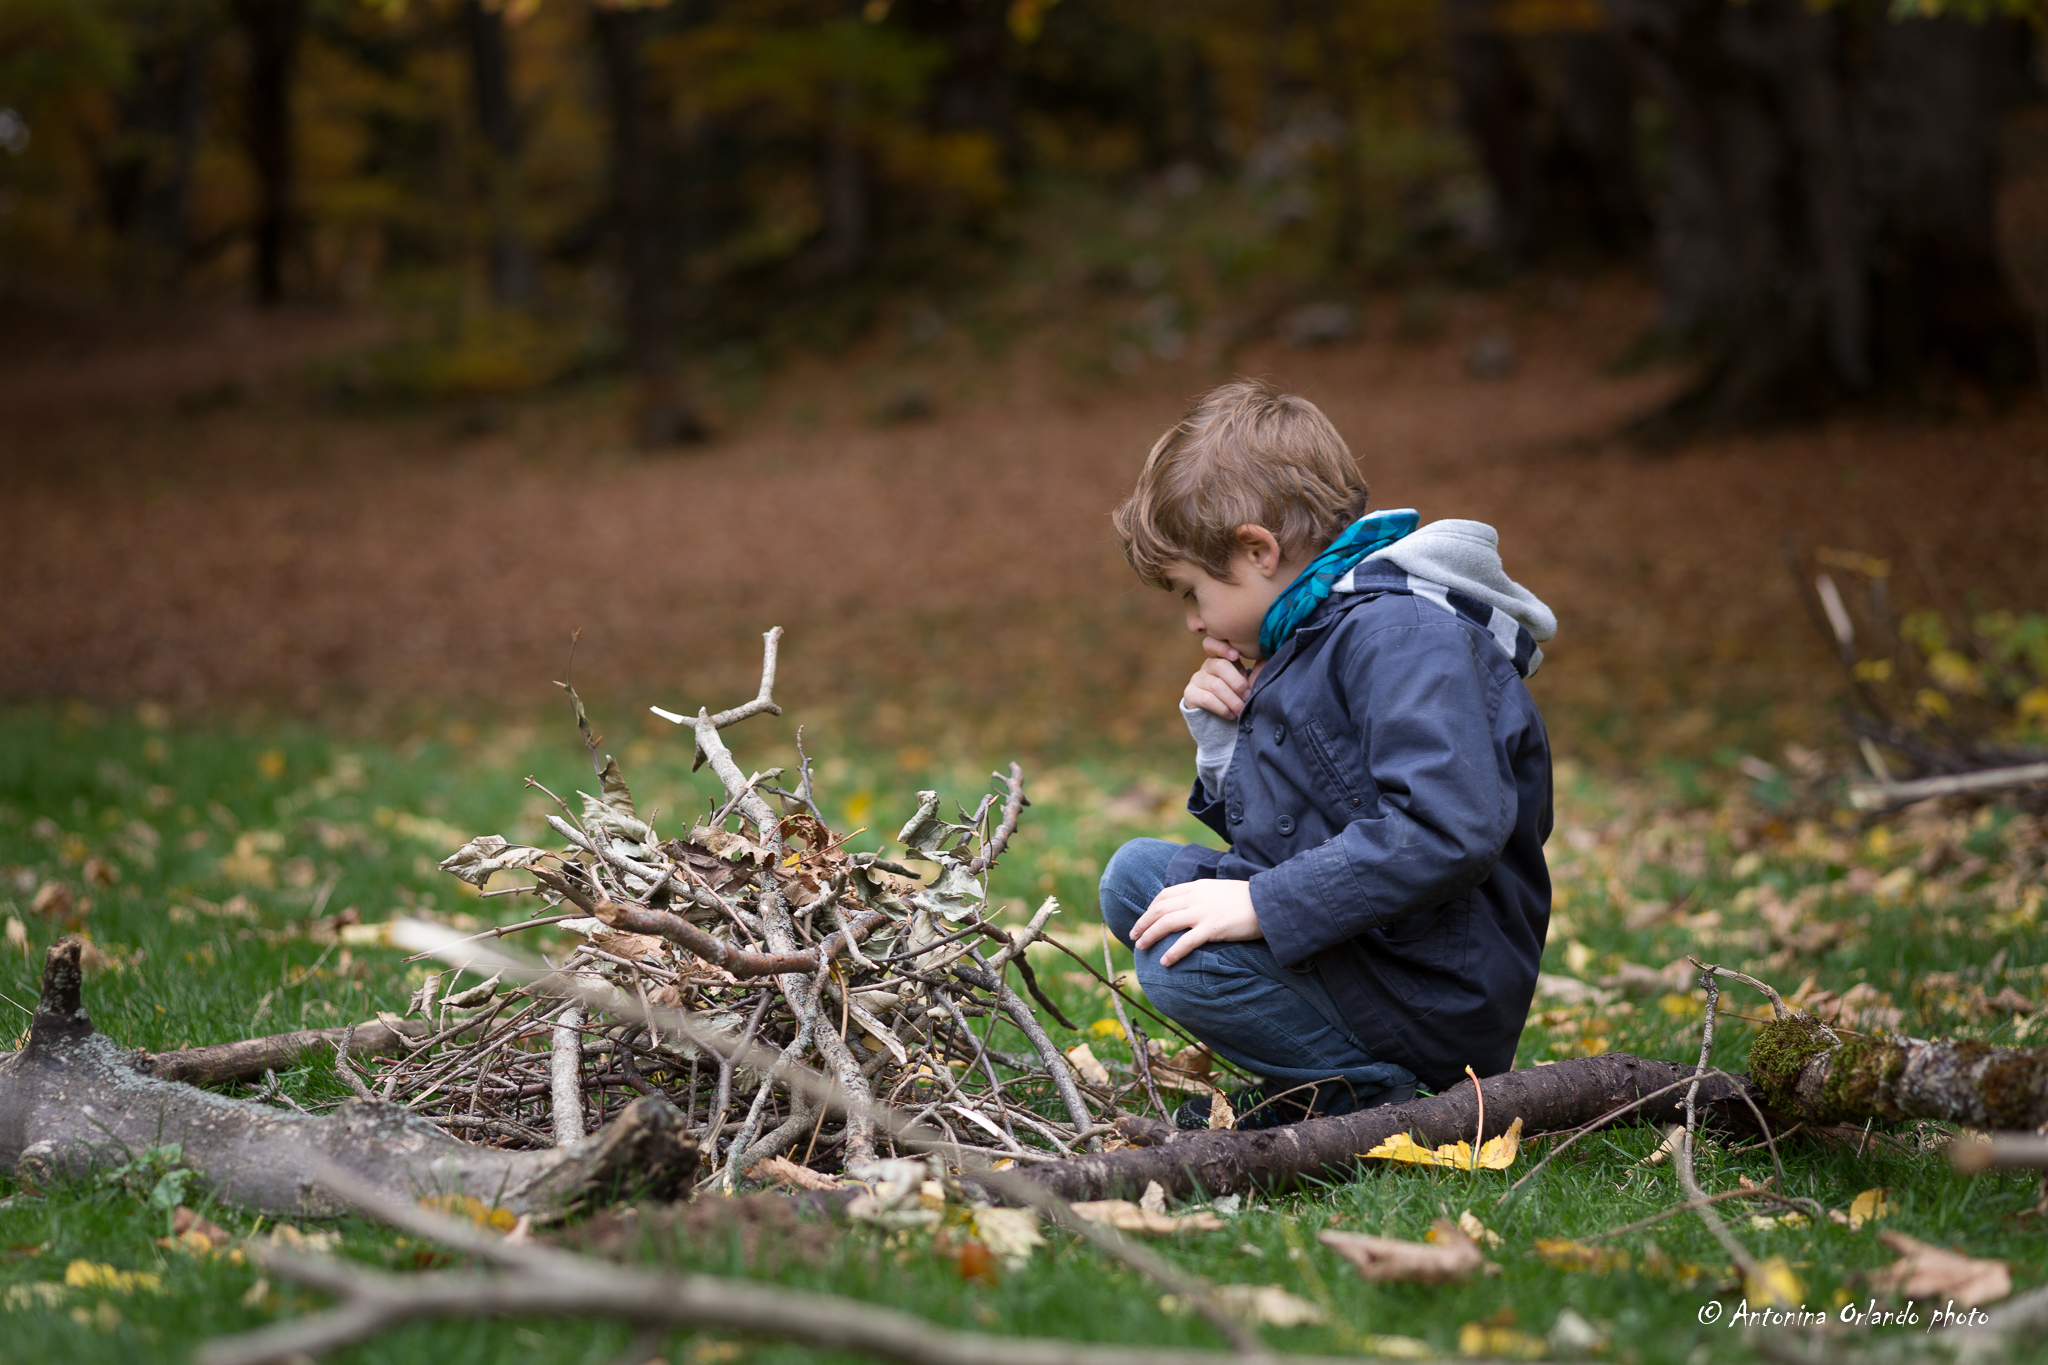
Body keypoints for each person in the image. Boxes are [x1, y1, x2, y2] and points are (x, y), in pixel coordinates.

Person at [1102, 378, 1557, 1129]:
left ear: (1257, 550)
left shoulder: (1399, 638)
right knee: (1136, 881)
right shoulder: (1315, 632)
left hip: (1432, 987)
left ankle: (1378, 1090)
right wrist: (1222, 742)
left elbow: (1447, 829)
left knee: (1178, 964)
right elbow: (1296, 834)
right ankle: (1332, 1076)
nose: (1191, 621)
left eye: (1191, 591)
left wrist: (1261, 903)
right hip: (1374, 947)